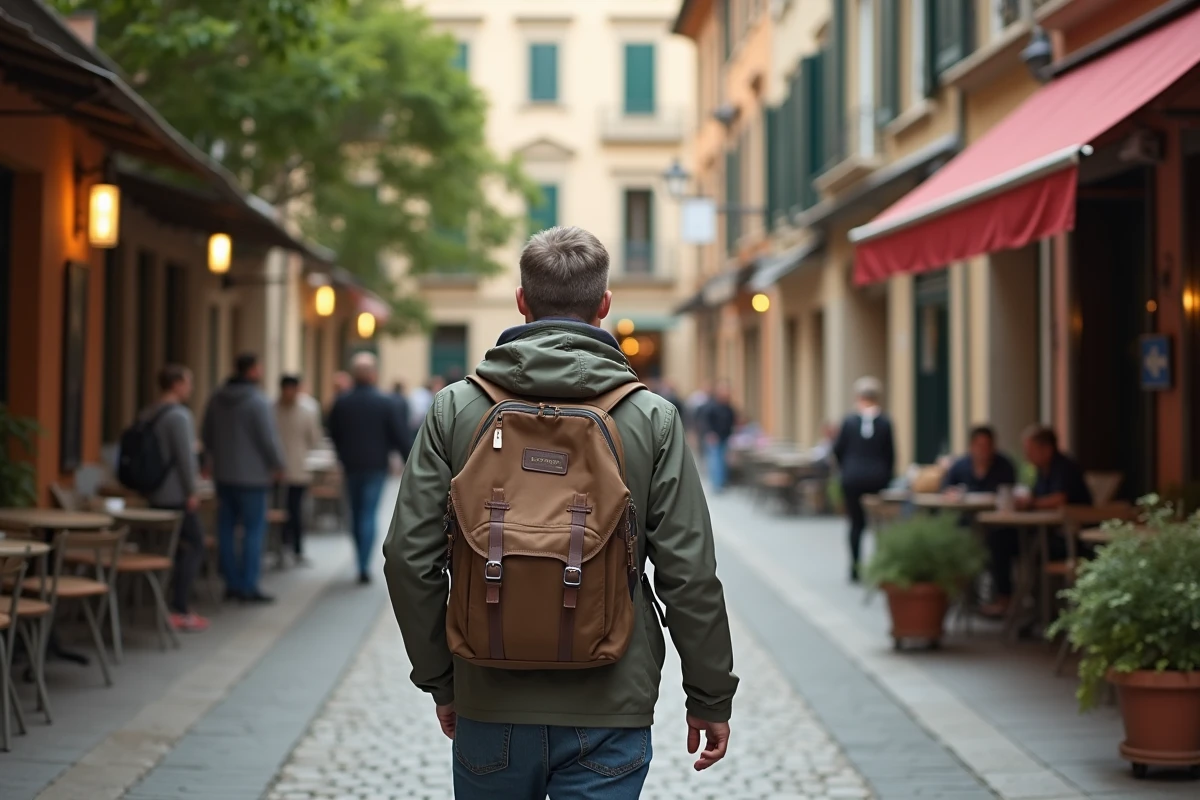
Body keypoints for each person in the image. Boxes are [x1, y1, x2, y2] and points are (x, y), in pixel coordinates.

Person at [384, 226, 737, 798]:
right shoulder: (652, 418)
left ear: (522, 302)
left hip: (488, 694)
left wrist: (443, 681)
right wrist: (710, 695)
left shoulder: (457, 407)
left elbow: (407, 558)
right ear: (604, 306)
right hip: (610, 699)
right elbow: (689, 575)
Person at [201, 353, 284, 604]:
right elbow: (268, 439)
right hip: (253, 478)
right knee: (254, 531)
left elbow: (206, 434)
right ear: (252, 371)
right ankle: (248, 585)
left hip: (224, 475)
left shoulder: (216, 398)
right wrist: (278, 465)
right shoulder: (258, 401)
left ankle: (231, 583)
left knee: (225, 529)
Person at [328, 352, 411, 584]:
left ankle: (360, 559)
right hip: (375, 465)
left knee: (355, 513)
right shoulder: (385, 402)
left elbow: (333, 432)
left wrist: (342, 454)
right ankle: (364, 563)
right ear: (374, 374)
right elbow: (399, 436)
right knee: (368, 512)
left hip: (351, 465)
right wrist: (410, 462)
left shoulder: (341, 402)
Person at [139, 365, 209, 633]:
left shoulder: (149, 412)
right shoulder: (179, 416)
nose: (190, 388)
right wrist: (193, 491)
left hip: (153, 492)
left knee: (169, 547)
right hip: (175, 494)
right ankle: (179, 608)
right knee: (195, 545)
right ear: (177, 384)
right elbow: (185, 458)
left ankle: (161, 601)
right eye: (188, 382)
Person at [942, 426, 1018, 615]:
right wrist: (951, 494)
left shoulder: (1004, 465)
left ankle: (1003, 599)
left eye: (987, 445)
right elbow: (945, 489)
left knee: (1001, 544)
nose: (983, 450)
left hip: (998, 525)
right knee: (951, 540)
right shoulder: (960, 466)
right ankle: (958, 594)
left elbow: (1009, 493)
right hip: (966, 523)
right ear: (971, 446)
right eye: (979, 445)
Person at [833, 377, 895, 583]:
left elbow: (838, 450)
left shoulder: (849, 421)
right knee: (878, 524)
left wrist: (847, 469)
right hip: (877, 479)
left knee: (856, 524)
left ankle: (855, 568)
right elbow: (890, 454)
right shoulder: (884, 422)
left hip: (852, 478)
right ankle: (879, 566)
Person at [275, 374, 324, 566]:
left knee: (294, 510)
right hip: (280, 470)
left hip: (297, 468)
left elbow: (313, 437)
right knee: (284, 511)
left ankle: (294, 548)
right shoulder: (273, 409)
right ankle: (283, 547)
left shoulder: (307, 409)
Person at [1019, 425, 1093, 509]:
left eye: (1031, 450)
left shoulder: (1065, 467)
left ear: (1047, 449)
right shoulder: (1042, 469)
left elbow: (1059, 500)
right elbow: (1037, 495)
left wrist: (1031, 504)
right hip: (1054, 519)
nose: (1027, 456)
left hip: (1076, 519)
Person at [701, 381, 736, 491]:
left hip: (725, 436)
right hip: (714, 437)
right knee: (715, 461)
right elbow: (706, 421)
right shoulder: (712, 406)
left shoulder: (728, 406)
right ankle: (717, 484)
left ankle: (721, 482)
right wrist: (710, 433)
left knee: (722, 460)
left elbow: (732, 420)